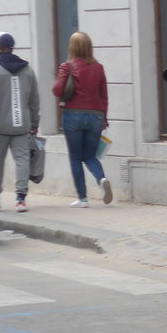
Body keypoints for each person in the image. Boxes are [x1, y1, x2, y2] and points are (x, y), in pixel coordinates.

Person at [0, 31, 40, 213]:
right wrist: (35, 123)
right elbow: (34, 100)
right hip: (22, 125)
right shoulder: (28, 70)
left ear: (0, 48)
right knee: (22, 160)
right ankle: (21, 199)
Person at [53, 31, 112, 208]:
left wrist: (63, 73)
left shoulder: (67, 66)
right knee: (90, 155)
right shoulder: (99, 68)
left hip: (73, 114)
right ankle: (102, 179)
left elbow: (57, 91)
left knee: (75, 157)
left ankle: (83, 198)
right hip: (96, 115)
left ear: (72, 47)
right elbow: (104, 96)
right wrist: (104, 117)